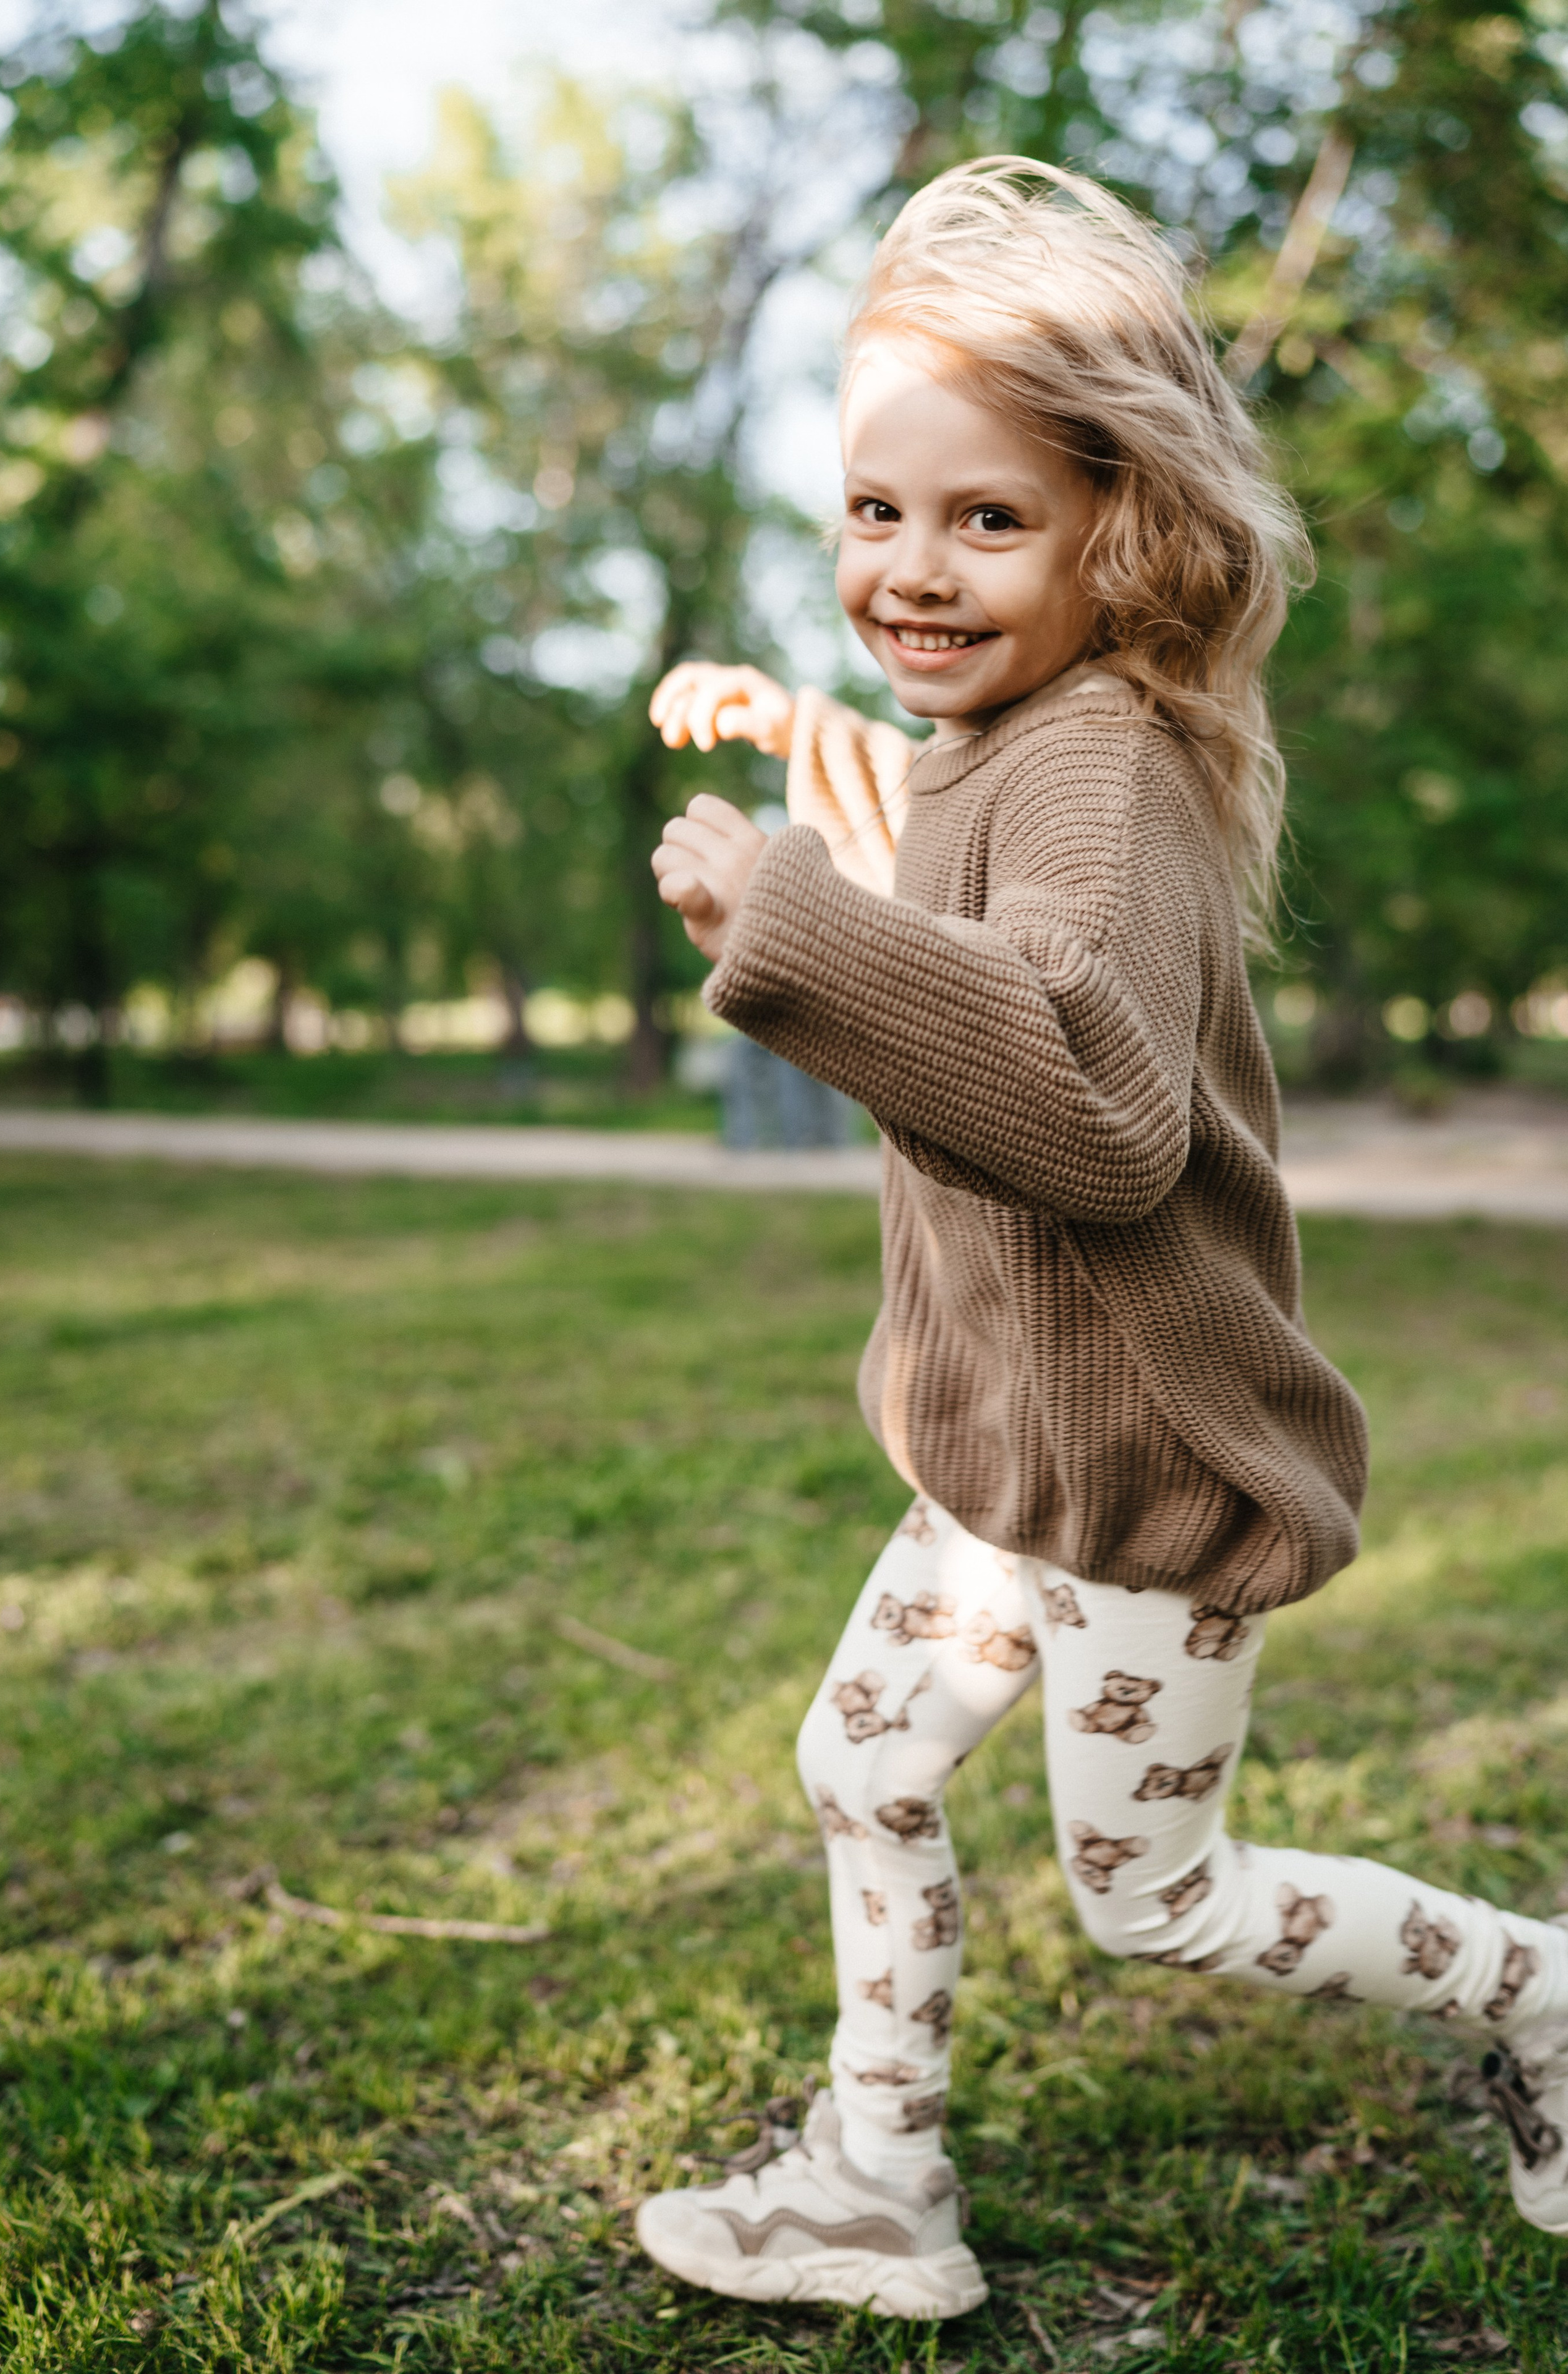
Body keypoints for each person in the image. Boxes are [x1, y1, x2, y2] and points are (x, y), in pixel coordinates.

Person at [634, 157, 1568, 2321]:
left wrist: (776, 918)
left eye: (987, 521)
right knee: (860, 1761)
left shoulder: (1109, 768)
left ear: (1119, 528)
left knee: (1162, 1897)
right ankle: (879, 2180)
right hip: (1004, 1469)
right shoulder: (996, 742)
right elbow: (940, 836)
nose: (914, 567)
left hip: (1138, 1473)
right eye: (879, 513)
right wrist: (809, 752)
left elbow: (1093, 1107)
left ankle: (1536, 1994)